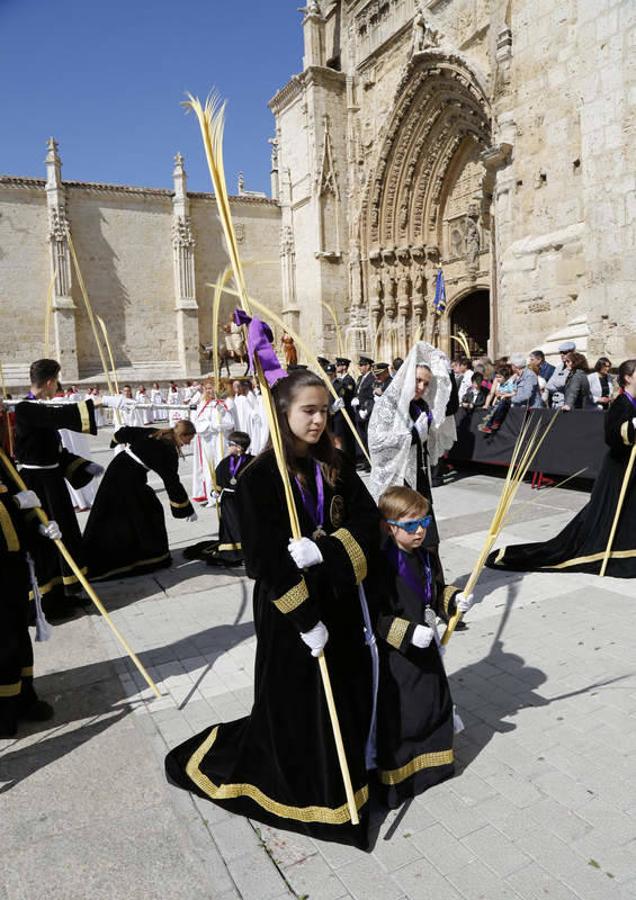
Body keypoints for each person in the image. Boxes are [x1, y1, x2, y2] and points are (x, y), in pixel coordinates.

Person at [166, 369, 380, 849]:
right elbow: (263, 561)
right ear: (282, 413)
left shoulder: (336, 464)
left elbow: (368, 522)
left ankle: (346, 778)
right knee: (297, 698)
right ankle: (308, 786)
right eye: (308, 410)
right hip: (292, 614)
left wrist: (329, 549)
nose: (319, 420)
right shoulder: (260, 477)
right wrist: (306, 621)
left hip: (339, 598)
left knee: (340, 692)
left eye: (324, 410)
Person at [487, 359, 636, 577]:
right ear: (628, 377)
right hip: (620, 472)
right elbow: (613, 434)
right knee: (613, 514)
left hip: (631, 472)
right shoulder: (622, 403)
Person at [373, 486, 473, 808]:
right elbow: (374, 615)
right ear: (390, 527)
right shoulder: (380, 565)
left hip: (427, 647)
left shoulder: (426, 557)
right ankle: (401, 781)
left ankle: (436, 767)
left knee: (434, 703)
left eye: (424, 522)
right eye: (411, 525)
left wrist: (454, 599)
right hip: (397, 656)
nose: (420, 531)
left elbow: (436, 592)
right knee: (404, 713)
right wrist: (404, 632)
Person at [14, 359, 102, 620]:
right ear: (51, 382)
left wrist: (82, 467)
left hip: (52, 482)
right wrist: (92, 406)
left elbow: (54, 452)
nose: (56, 389)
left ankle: (64, 592)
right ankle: (46, 600)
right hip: (35, 486)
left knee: (64, 536)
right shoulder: (25, 408)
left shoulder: (38, 408)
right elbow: (56, 417)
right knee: (43, 541)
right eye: (56, 383)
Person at [368, 341, 457, 552]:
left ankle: (432, 584)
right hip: (399, 479)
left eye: (426, 383)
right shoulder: (389, 403)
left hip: (421, 476)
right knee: (403, 539)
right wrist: (412, 436)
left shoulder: (422, 406)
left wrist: (448, 372)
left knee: (428, 540)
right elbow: (376, 441)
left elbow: (448, 409)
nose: (421, 387)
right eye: (418, 381)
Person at [83, 421, 196, 580]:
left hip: (120, 471)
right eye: (188, 439)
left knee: (145, 507)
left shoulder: (155, 432)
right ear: (181, 435)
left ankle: (146, 554)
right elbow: (171, 481)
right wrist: (185, 509)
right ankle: (147, 557)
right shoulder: (167, 449)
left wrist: (114, 440)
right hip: (126, 480)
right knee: (144, 513)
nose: (188, 443)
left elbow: (125, 432)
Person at [0, 452, 60, 738]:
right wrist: (13, 502)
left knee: (17, 639)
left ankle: (24, 699)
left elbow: (14, 518)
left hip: (10, 573)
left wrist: (39, 529)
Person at [201, 430, 254, 568]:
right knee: (231, 526)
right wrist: (215, 492)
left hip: (245, 500)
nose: (227, 446)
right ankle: (232, 552)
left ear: (239, 447)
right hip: (229, 501)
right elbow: (218, 480)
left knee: (245, 525)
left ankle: (247, 552)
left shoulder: (252, 461)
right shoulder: (225, 463)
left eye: (230, 444)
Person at [192, 381, 235, 505]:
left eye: (210, 388)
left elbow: (230, 423)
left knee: (221, 465)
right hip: (207, 440)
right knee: (208, 467)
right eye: (206, 389)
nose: (208, 391)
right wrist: (209, 426)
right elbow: (197, 421)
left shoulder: (224, 404)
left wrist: (218, 425)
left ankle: (224, 495)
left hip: (220, 440)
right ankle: (212, 497)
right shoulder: (203, 404)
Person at [352, 355, 375, 467]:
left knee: (368, 438)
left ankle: (370, 462)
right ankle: (365, 460)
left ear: (368, 366)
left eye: (361, 365)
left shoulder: (372, 378)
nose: (359, 367)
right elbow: (358, 392)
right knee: (362, 437)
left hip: (367, 412)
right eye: (359, 365)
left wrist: (366, 409)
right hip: (359, 411)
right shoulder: (360, 378)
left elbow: (372, 397)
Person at [332, 357, 356, 460]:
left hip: (345, 414)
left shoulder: (348, 380)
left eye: (338, 365)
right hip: (338, 413)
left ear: (344, 367)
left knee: (344, 439)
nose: (336, 367)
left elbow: (345, 394)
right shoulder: (339, 380)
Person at [546, 341, 575, 408]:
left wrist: (556, 383)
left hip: (566, 405)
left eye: (565, 353)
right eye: (561, 352)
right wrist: (560, 387)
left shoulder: (574, 367)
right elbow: (549, 385)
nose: (562, 355)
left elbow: (564, 384)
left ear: (572, 353)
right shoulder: (559, 367)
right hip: (555, 404)